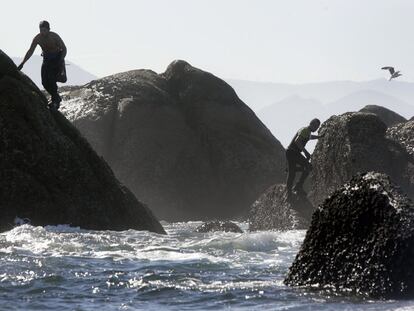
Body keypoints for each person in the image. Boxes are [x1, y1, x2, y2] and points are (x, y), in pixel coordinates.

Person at [17, 20, 67, 110]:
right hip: (46, 60)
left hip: (56, 59)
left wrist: (60, 60)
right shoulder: (37, 38)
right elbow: (30, 51)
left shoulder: (54, 36)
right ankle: (56, 97)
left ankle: (55, 101)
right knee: (44, 82)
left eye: (44, 30)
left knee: (52, 79)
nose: (43, 32)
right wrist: (22, 63)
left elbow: (64, 49)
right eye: (41, 30)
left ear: (49, 29)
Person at [286, 118, 323, 197]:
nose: (316, 128)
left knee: (292, 173)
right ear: (311, 123)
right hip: (293, 152)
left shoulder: (307, 131)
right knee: (308, 167)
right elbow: (297, 141)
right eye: (315, 126)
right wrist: (305, 152)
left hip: (290, 152)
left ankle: (289, 193)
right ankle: (298, 186)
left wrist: (319, 137)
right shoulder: (305, 130)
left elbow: (310, 137)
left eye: (317, 127)